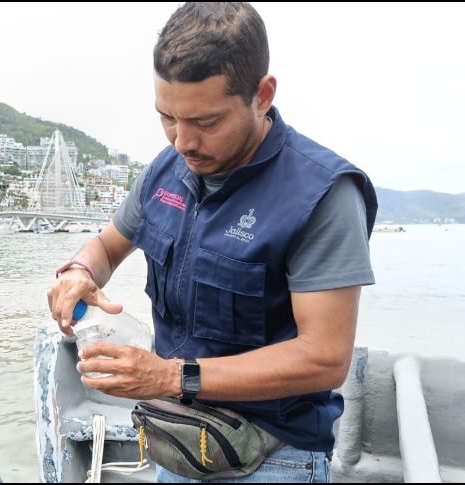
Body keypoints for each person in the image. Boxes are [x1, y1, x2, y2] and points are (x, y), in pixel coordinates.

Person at [46, 2, 377, 483]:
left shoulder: (322, 194)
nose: (182, 141)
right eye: (167, 118)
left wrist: (170, 377)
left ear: (262, 95)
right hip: (177, 440)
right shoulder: (166, 170)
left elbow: (324, 357)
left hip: (272, 453)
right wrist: (79, 272)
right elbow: (106, 245)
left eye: (205, 122)